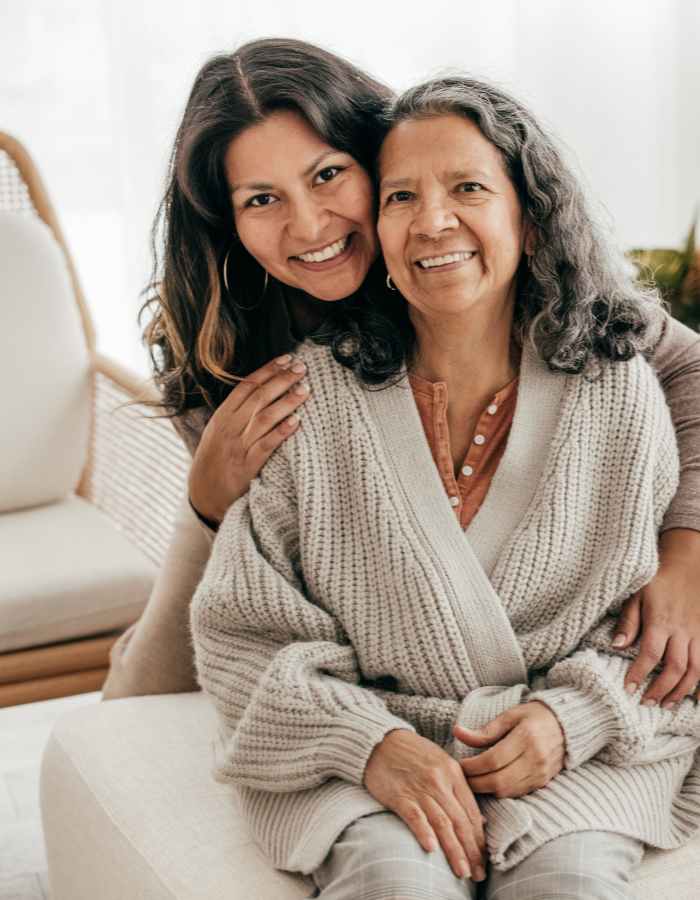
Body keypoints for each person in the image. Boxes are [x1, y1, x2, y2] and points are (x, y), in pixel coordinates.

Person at [188, 75, 700, 899]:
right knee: (394, 885)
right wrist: (368, 746)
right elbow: (242, 634)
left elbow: (651, 636)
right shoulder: (304, 400)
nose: (432, 221)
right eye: (401, 197)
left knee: (568, 884)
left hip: (573, 750)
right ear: (382, 232)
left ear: (531, 221)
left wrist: (572, 719)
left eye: (468, 188)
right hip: (373, 754)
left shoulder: (617, 386)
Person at [100, 38, 700, 725]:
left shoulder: (462, 260)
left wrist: (688, 549)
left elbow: (687, 364)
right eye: (262, 198)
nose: (309, 223)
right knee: (131, 703)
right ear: (228, 221)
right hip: (240, 537)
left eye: (328, 175)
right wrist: (207, 502)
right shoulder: (226, 341)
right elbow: (251, 599)